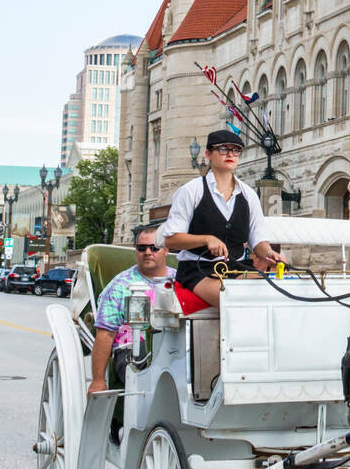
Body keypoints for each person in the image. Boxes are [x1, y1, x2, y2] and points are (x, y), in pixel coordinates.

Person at [157, 128, 285, 308]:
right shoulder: (191, 191)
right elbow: (171, 239)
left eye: (236, 150)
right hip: (198, 270)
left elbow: (258, 240)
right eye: (223, 149)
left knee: (283, 287)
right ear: (209, 154)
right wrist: (206, 239)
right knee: (234, 299)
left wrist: (269, 254)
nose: (230, 154)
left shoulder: (249, 195)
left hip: (236, 267)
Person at [87, 226, 177, 435]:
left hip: (173, 344)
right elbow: (105, 334)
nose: (148, 252)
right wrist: (98, 380)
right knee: (141, 363)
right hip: (131, 348)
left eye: (154, 247)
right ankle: (133, 425)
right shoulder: (119, 286)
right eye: (142, 247)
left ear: (165, 250)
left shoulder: (181, 281)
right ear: (135, 250)